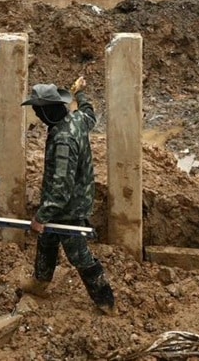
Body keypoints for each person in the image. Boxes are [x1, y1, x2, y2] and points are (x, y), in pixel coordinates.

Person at [19, 76, 116, 315]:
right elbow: (89, 113)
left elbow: (61, 188)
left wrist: (41, 216)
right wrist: (80, 93)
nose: (37, 115)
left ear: (48, 111)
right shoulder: (77, 120)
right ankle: (40, 282)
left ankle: (105, 299)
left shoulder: (63, 139)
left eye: (38, 110)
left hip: (68, 207)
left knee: (79, 254)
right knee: (47, 240)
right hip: (73, 199)